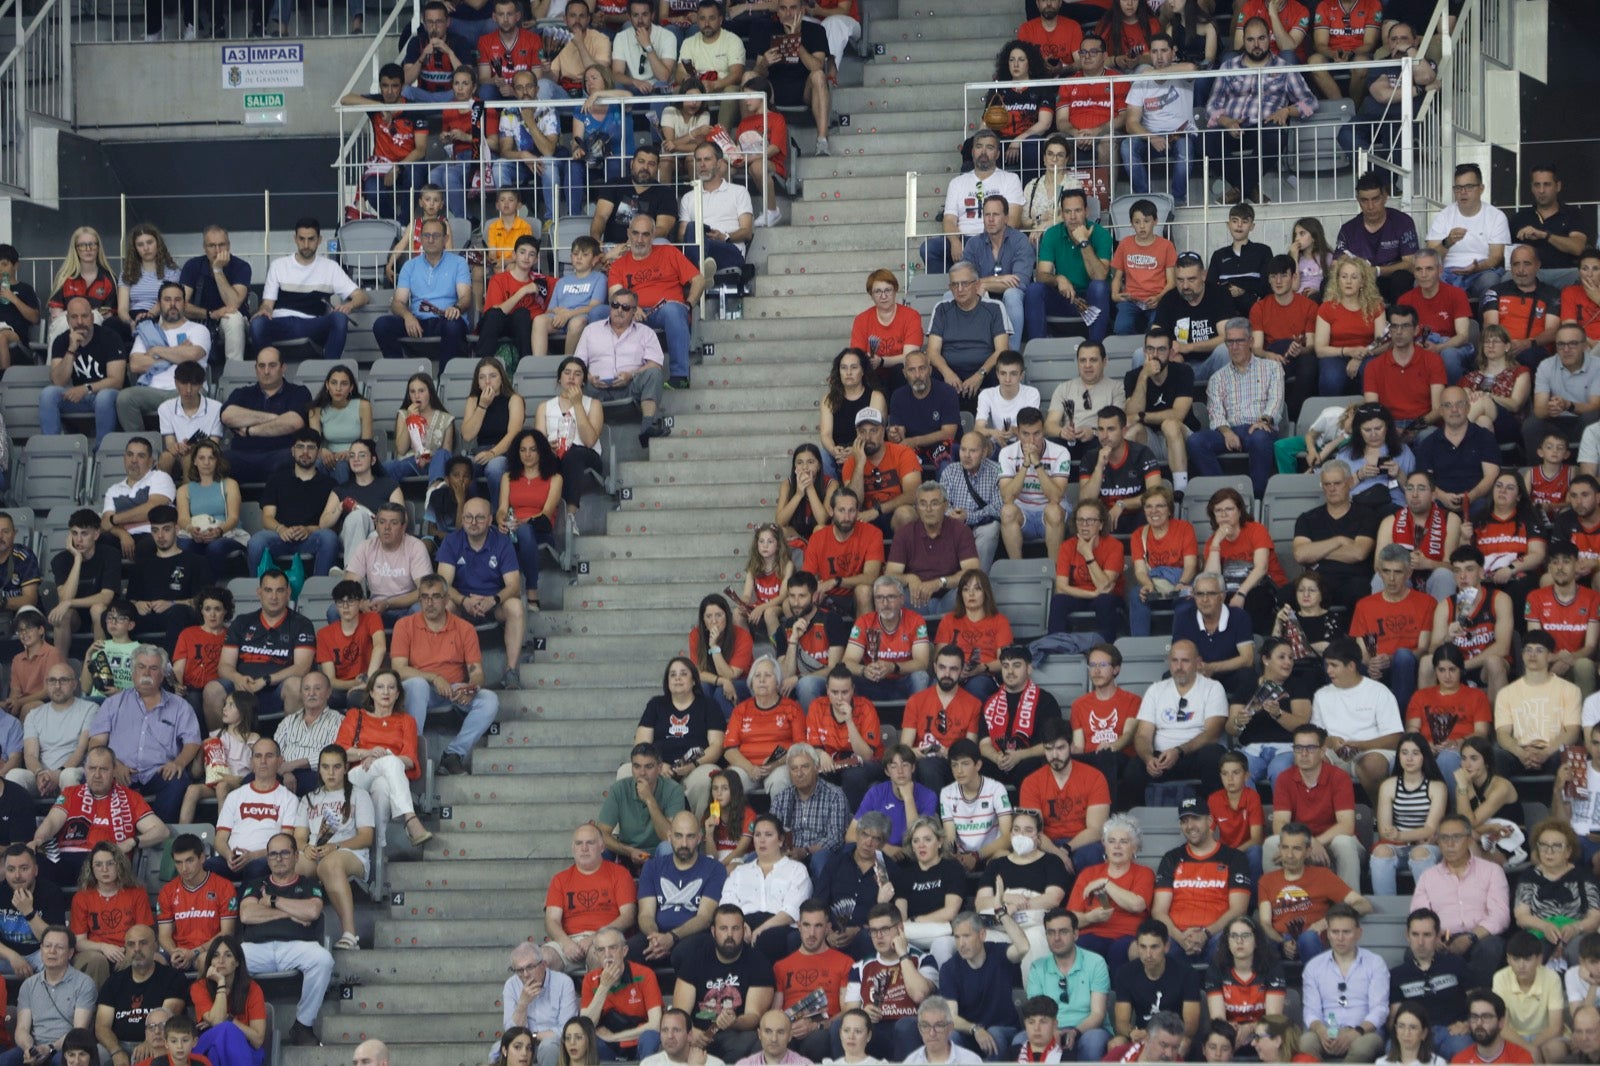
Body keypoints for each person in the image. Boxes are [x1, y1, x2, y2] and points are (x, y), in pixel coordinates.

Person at [1203, 18, 1316, 204]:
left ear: (1270, 37)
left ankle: (1239, 190)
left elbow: (1310, 102)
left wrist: (1287, 110)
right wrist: (1227, 121)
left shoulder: (1283, 68)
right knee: (1205, 140)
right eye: (1250, 40)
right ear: (1244, 41)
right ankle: (1249, 188)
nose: (1256, 45)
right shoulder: (1228, 67)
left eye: (1261, 38)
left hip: (1265, 128)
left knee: (1277, 135)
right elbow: (1211, 106)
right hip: (1233, 127)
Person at [602, 216, 705, 391]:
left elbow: (699, 280)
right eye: (635, 233)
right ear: (628, 233)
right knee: (597, 313)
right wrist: (631, 308)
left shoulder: (668, 252)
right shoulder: (619, 265)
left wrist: (688, 304)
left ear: (653, 235)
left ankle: (680, 377)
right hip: (630, 312)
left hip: (663, 312)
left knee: (673, 310)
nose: (639, 240)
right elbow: (616, 295)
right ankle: (601, 374)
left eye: (645, 234)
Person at [1122, 641, 1227, 810]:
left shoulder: (1213, 688)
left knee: (1214, 756)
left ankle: (1215, 816)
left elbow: (1212, 733)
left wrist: (1179, 751)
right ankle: (1135, 823)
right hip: (1160, 757)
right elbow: (1142, 735)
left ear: (1198, 662)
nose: (1179, 666)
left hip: (1195, 754)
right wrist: (1148, 758)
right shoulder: (1156, 690)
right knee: (1134, 767)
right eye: (1174, 660)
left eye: (1185, 661)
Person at [1411, 812, 1511, 988]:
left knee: (1491, 947)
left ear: (1469, 839)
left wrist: (1471, 937)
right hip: (1442, 939)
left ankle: (1476, 998)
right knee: (1417, 950)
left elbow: (1501, 916)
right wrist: (1434, 937)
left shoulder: (1492, 871)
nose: (1450, 844)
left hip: (1480, 937)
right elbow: (1418, 916)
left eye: (1456, 837)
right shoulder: (1428, 876)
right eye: (1444, 838)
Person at [249, 220, 367, 365]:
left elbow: (361, 296)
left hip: (312, 324)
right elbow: (267, 304)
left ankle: (329, 370)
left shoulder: (330, 267)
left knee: (339, 318)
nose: (306, 245)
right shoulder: (278, 266)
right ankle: (267, 368)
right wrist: (264, 310)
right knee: (257, 323)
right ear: (295, 239)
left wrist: (349, 305)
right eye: (301, 239)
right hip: (281, 323)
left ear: (319, 240)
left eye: (311, 239)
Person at [1151, 797, 1252, 962]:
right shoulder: (1171, 858)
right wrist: (1181, 938)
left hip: (1217, 935)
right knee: (1156, 949)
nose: (1190, 826)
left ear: (1210, 821)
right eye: (1184, 821)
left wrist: (1205, 934)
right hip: (1177, 936)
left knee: (1227, 945)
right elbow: (1159, 911)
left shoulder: (1234, 858)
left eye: (1196, 818)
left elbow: (1238, 910)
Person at [671, 903, 774, 1061]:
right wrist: (691, 1031)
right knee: (672, 1038)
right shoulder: (695, 959)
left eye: (735, 928)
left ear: (744, 930)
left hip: (735, 1034)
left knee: (749, 1042)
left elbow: (754, 1016)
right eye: (723, 928)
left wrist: (734, 1022)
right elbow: (680, 1012)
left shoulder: (758, 963)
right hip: (697, 1032)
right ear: (713, 931)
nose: (730, 935)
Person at [1259, 817, 1370, 963]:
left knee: (1308, 937)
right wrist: (1282, 942)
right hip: (1281, 941)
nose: (1290, 855)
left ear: (1308, 851)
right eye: (1285, 848)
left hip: (1313, 939)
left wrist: (1326, 922)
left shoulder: (1322, 875)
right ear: (1279, 848)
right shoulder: (1267, 880)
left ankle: (1316, 982)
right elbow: (1265, 923)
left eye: (1297, 848)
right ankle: (1272, 984)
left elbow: (1363, 905)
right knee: (1263, 938)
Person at [115, 282, 211, 437]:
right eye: (167, 300)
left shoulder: (199, 330)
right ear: (159, 304)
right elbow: (135, 365)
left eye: (177, 300)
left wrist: (156, 350)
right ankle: (142, 445)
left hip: (188, 389)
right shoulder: (147, 332)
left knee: (189, 395)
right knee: (124, 398)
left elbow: (192, 355)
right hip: (153, 391)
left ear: (184, 304)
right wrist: (178, 354)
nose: (172, 304)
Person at [1024, 188, 1113, 346]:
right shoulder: (1052, 233)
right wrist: (1058, 278)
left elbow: (1100, 276)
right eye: (1068, 211)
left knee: (1099, 287)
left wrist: (1084, 242)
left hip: (1092, 298)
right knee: (1034, 289)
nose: (1073, 217)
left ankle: (1095, 349)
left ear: (1086, 211)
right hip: (1065, 296)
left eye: (1077, 211)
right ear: (1062, 214)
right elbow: (1042, 274)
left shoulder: (1100, 234)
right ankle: (1037, 349)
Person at [0, 927, 96, 1066]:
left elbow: (78, 1031)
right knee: (5, 1061)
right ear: (41, 949)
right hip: (35, 1046)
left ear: (70, 953)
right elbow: (22, 1029)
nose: (52, 951)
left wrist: (50, 1048)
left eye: (59, 947)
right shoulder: (28, 984)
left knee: (61, 1061)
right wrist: (29, 1048)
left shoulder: (84, 983)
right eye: (47, 946)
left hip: (67, 1048)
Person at [94, 924, 187, 1066]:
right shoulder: (113, 982)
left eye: (143, 943)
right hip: (118, 1044)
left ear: (155, 946)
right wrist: (116, 1051)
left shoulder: (173, 978)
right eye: (131, 945)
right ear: (125, 949)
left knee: (157, 1053)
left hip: (157, 1042)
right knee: (93, 1054)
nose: (137, 949)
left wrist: (149, 1042)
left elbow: (168, 1017)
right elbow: (101, 1027)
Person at [41, 295, 126, 449]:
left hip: (108, 396)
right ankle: (52, 449)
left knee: (104, 397)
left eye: (84, 316)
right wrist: (71, 350)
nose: (80, 322)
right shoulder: (62, 341)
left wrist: (85, 388)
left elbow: (116, 381)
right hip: (80, 397)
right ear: (67, 320)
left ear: (92, 317)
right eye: (74, 317)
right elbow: (58, 381)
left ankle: (102, 451)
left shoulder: (110, 337)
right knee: (48, 394)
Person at [1493, 630, 1579, 778]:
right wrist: (1521, 753)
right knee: (1496, 754)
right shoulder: (1506, 693)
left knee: (1567, 753)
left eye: (1539, 650)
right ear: (1522, 654)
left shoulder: (1570, 690)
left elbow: (1572, 731)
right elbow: (1502, 733)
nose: (1532, 655)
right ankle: (1504, 800)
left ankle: (1559, 801)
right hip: (1519, 752)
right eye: (1528, 650)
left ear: (1550, 656)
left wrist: (1545, 753)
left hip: (1552, 752)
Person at [1370, 733, 1448, 895]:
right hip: (1398, 845)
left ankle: (1428, 908)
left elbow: (1430, 829)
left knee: (1419, 853)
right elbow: (1385, 830)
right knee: (1381, 852)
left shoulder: (1437, 787)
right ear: (1398, 757)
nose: (1409, 758)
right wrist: (1405, 837)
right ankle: (1387, 909)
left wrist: (1399, 835)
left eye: (1415, 753)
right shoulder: (1388, 786)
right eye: (1404, 753)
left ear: (1424, 756)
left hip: (1428, 846)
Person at [1109, 924, 1200, 1056]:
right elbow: (1121, 1022)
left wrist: (1155, 1035)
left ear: (1167, 947)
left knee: (1184, 1043)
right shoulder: (1125, 973)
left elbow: (1191, 1026)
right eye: (1143, 947)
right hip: (1141, 1034)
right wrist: (1131, 1032)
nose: (1148, 954)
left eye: (1154, 947)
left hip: (1174, 1034)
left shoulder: (1187, 973)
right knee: (1115, 1044)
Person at [1425, 163, 1510, 301]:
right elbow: (1430, 256)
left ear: (1481, 189)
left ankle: (1486, 322)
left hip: (1481, 271)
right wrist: (1447, 242)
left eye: (1469, 187)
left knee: (1490, 281)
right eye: (1458, 188)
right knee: (1425, 280)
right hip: (1447, 272)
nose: (1463, 192)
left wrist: (1477, 267)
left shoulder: (1496, 216)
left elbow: (1496, 256)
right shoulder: (1443, 216)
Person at [155, 833, 237, 973]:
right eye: (178, 862)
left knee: (203, 960)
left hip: (211, 951)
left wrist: (195, 952)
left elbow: (227, 932)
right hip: (179, 952)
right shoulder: (167, 891)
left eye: (189, 860)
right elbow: (164, 935)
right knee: (152, 961)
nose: (184, 868)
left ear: (202, 858)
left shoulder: (224, 887)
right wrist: (174, 952)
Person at [999, 406, 1072, 563]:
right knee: (1007, 511)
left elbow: (1056, 497)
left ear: (1043, 430)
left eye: (1037, 434)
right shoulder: (1006, 453)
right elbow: (1007, 497)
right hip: (1023, 512)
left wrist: (1037, 464)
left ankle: (1055, 571)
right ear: (1017, 432)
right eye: (1025, 434)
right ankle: (1017, 570)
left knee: (1053, 510)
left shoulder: (1060, 452)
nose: (1031, 441)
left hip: (1051, 512)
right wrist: (1025, 465)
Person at [1048, 500, 1125, 639]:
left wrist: (1088, 554)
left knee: (1105, 600)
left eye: (1090, 520)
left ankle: (1106, 648)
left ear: (1101, 524)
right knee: (1058, 601)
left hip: (1107, 597)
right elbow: (1061, 587)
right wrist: (1092, 594)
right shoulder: (1067, 546)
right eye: (1080, 520)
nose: (1084, 525)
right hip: (1080, 595)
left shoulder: (1115, 546)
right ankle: (1055, 646)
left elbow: (1105, 586)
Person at [1482, 246, 1561, 373]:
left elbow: (1552, 331)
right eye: (1516, 264)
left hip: (1536, 351)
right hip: (1501, 348)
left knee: (1528, 356)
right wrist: (1505, 346)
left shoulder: (1552, 294)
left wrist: (1527, 344)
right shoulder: (1495, 291)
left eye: (1527, 264)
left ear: (1538, 265)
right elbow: (1490, 326)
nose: (1521, 270)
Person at [940, 739, 1013, 872]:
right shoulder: (946, 793)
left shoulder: (996, 789)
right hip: (962, 857)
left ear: (978, 765)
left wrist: (976, 856)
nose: (959, 771)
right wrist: (956, 855)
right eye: (954, 765)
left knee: (1004, 856)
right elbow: (950, 838)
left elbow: (1008, 837)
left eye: (965, 764)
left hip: (991, 853)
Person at [504, 943, 580, 1066]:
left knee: (548, 1046)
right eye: (519, 970)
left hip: (555, 1043)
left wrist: (533, 1036)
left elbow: (567, 1030)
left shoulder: (563, 983)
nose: (525, 975)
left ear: (543, 965)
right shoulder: (511, 985)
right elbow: (510, 1032)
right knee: (497, 1050)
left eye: (530, 967)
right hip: (524, 1042)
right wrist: (523, 1004)